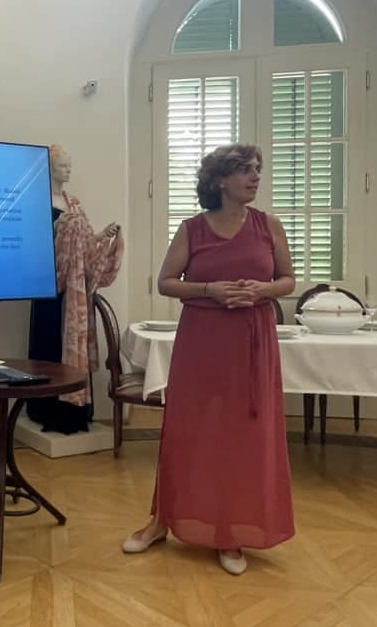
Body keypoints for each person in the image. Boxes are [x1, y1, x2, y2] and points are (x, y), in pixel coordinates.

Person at [121, 143, 296, 575]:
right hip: (201, 341)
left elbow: (287, 280)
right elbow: (166, 282)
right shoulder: (192, 229)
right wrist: (209, 290)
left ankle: (229, 532)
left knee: (241, 436)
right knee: (188, 431)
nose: (255, 176)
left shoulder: (269, 225)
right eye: (245, 170)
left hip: (252, 343)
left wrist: (262, 290)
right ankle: (162, 520)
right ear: (220, 180)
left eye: (257, 169)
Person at [27, 144, 123, 433]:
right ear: (50, 169)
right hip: (49, 287)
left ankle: (73, 411)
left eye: (69, 166)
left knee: (71, 344)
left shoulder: (74, 203)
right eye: (62, 166)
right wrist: (60, 229)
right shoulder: (36, 200)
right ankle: (47, 409)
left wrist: (103, 235)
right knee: (49, 347)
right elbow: (34, 242)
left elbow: (84, 245)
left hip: (74, 289)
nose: (68, 171)